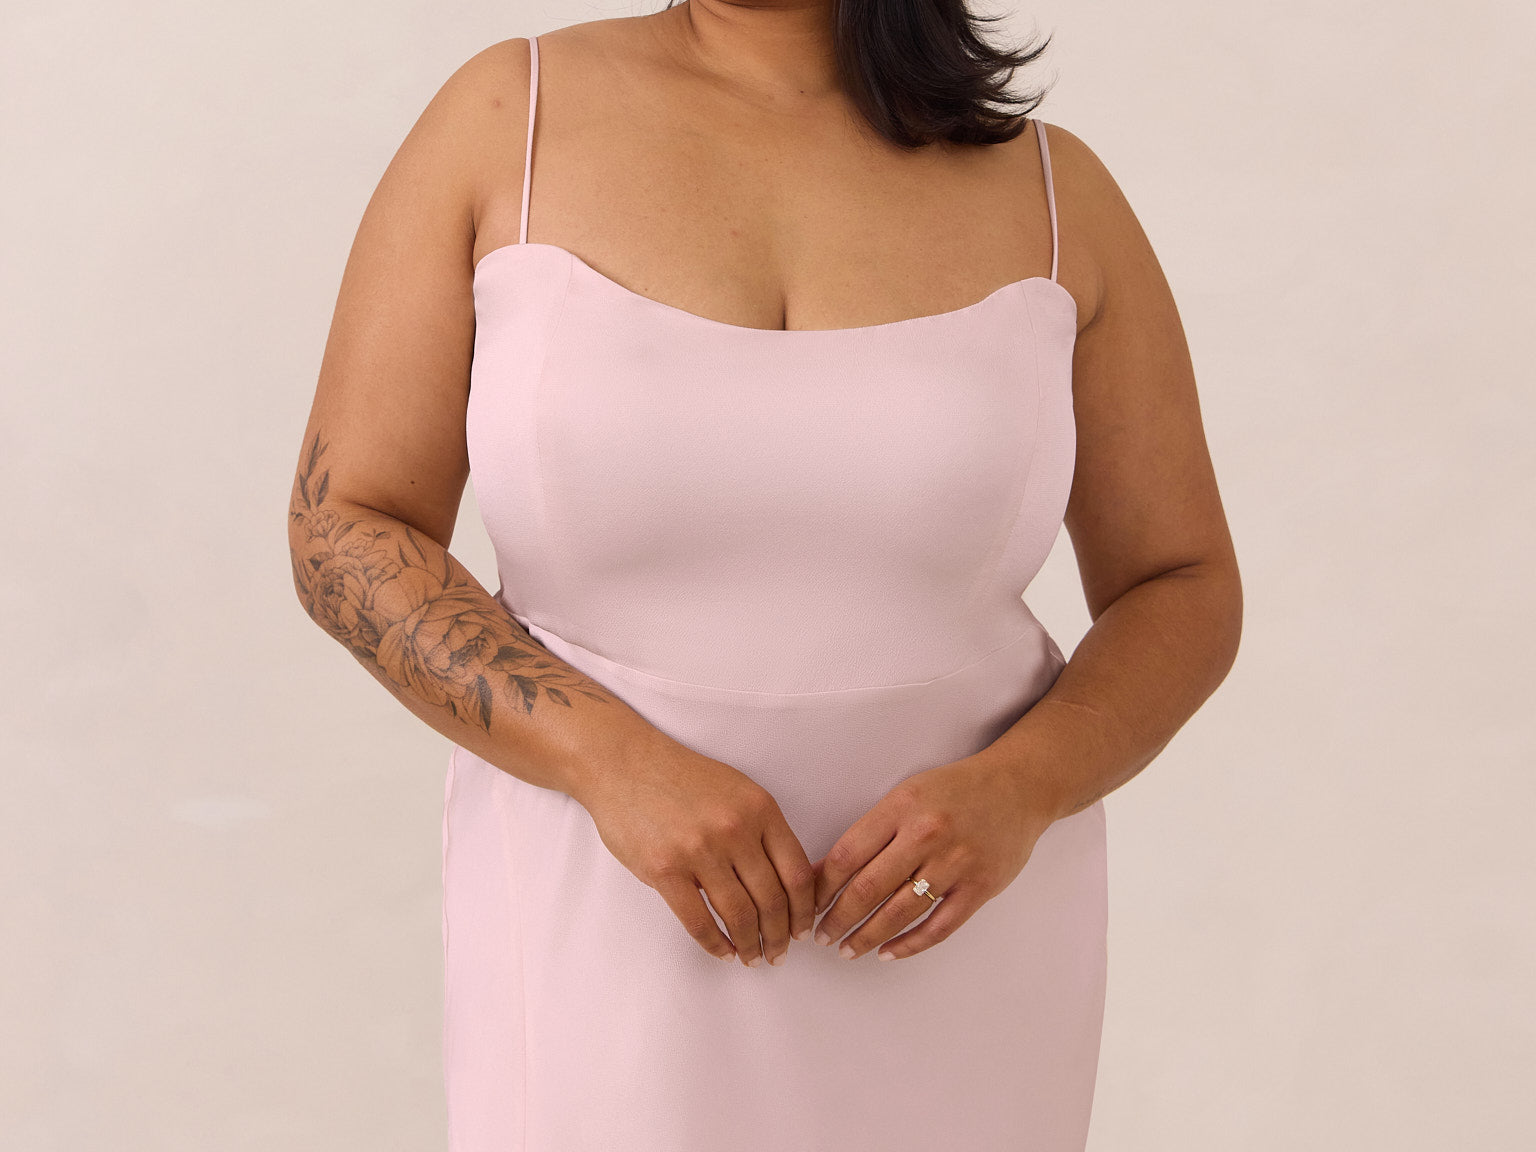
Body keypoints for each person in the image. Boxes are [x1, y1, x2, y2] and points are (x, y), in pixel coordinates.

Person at [287, 2, 1242, 1148]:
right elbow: (345, 524)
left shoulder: (1052, 193)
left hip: (959, 938)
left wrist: (1025, 787)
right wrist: (611, 763)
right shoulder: (508, 119)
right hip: (600, 918)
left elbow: (1181, 580)